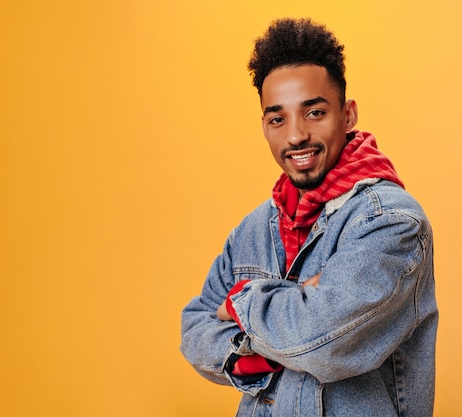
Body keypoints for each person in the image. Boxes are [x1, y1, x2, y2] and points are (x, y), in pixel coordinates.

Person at [181, 17, 438, 417]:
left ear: (348, 115)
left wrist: (238, 304)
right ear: (265, 126)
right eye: (277, 119)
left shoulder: (391, 222)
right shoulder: (252, 230)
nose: (296, 135)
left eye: (314, 112)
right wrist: (286, 321)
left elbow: (323, 344)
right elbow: (195, 326)